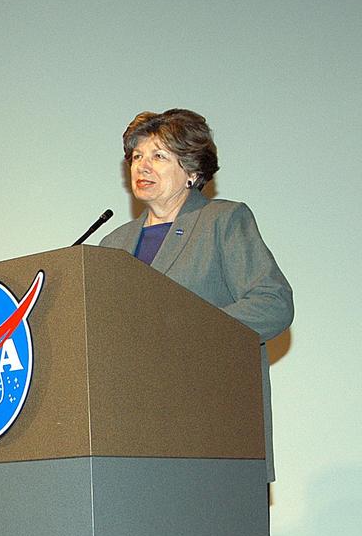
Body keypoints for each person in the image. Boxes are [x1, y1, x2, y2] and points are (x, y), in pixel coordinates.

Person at [99, 109, 293, 480]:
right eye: (137, 157)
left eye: (158, 156)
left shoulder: (223, 221)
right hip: (128, 437)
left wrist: (188, 324)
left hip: (210, 431)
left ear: (192, 171)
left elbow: (273, 303)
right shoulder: (114, 243)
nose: (142, 166)